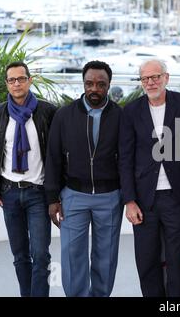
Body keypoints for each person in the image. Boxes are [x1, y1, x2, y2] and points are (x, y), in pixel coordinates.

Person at [119, 59, 180, 297]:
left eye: (155, 77)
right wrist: (129, 200)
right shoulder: (131, 111)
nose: (151, 82)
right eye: (145, 78)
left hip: (175, 196)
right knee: (146, 260)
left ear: (166, 78)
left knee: (177, 258)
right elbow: (125, 159)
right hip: (142, 199)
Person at [45, 61, 122, 297]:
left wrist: (128, 197)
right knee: (72, 255)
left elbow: (128, 159)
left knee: (106, 256)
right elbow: (53, 158)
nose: (94, 89)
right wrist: (52, 198)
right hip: (73, 196)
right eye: (89, 84)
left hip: (109, 197)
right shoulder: (64, 115)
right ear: (83, 84)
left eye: (101, 84)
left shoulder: (121, 116)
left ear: (108, 86)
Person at [0, 61, 57, 297]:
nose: (16, 84)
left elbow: (56, 153)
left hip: (38, 193)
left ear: (29, 80)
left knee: (41, 254)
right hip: (9, 192)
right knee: (19, 255)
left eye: (21, 79)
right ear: (7, 83)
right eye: (12, 80)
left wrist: (56, 191)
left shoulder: (47, 111)